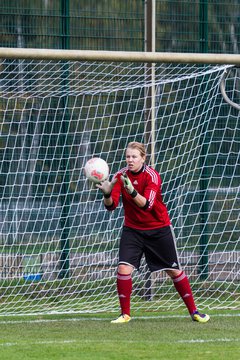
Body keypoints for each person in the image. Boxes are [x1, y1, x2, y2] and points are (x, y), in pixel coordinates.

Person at [96, 141, 210, 324]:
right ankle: (125, 314)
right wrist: (107, 194)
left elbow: (147, 205)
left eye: (134, 157)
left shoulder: (152, 176)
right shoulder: (120, 176)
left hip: (158, 229)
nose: (130, 160)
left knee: (173, 271)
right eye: (127, 156)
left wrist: (132, 191)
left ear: (143, 158)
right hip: (132, 230)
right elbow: (111, 207)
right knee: (123, 268)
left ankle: (194, 311)